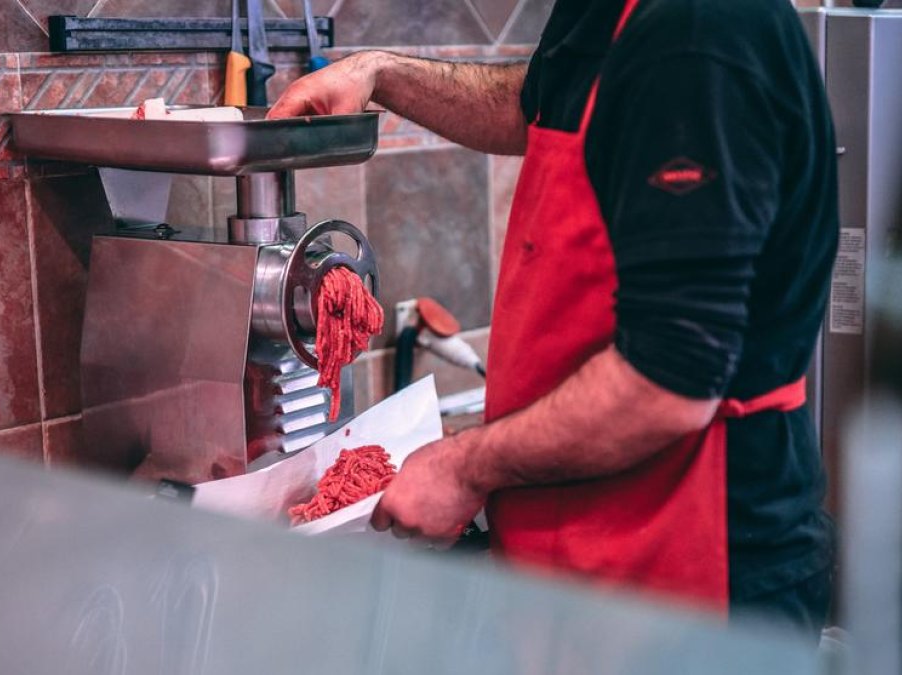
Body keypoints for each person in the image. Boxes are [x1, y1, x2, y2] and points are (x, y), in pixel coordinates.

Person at [269, 0, 837, 637]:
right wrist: (380, 72)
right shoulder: (613, 14)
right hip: (586, 557)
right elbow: (533, 103)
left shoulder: (701, 31)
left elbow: (670, 383)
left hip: (694, 564)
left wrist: (462, 469)